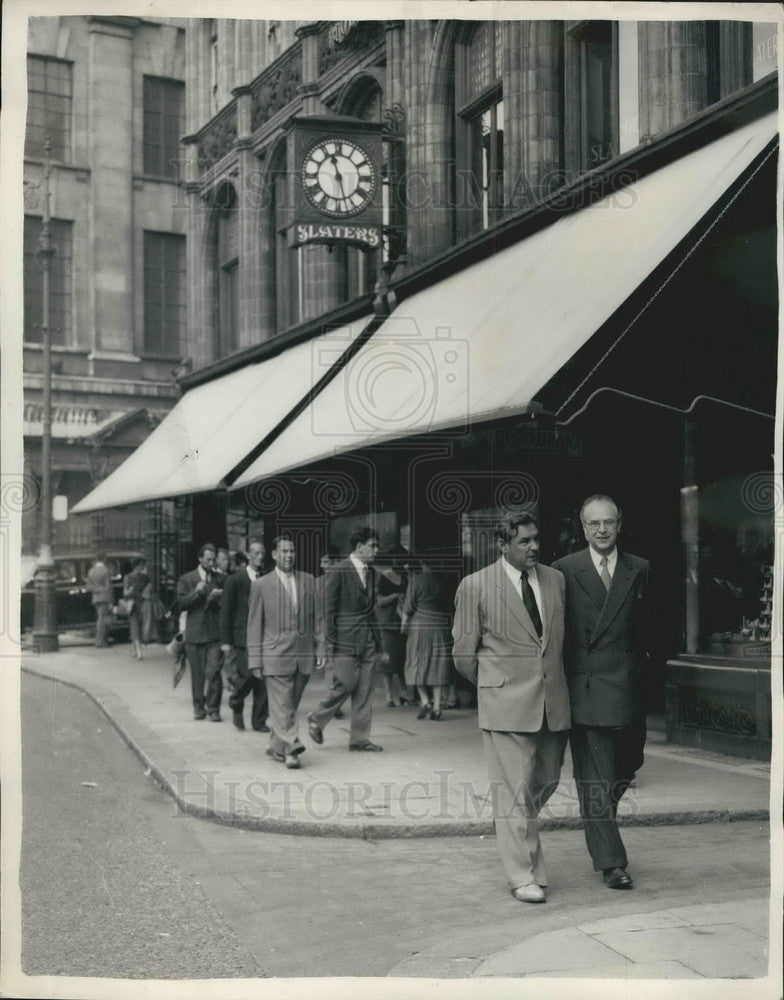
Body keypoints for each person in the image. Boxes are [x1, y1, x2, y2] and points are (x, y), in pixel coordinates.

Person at [453, 511, 570, 904]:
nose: (534, 546)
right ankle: (523, 874)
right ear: (502, 545)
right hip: (504, 703)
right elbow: (463, 654)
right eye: (524, 541)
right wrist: (494, 686)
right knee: (514, 792)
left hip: (552, 701)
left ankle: (519, 838)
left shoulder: (555, 580)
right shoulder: (476, 586)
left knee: (546, 781)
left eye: (536, 538)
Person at [552, 495, 651, 891]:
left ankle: (598, 822)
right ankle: (612, 863)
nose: (602, 530)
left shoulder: (639, 568)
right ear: (583, 527)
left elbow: (652, 624)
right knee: (595, 782)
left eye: (608, 522)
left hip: (628, 687)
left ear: (620, 524)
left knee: (627, 765)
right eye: (594, 524)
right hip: (587, 689)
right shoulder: (564, 570)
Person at [307, 527, 384, 753]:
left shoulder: (371, 572)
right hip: (345, 640)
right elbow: (329, 609)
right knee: (346, 683)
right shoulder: (339, 570)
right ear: (359, 546)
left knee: (365, 690)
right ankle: (317, 717)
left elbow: (372, 611)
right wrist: (331, 640)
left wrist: (379, 644)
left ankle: (360, 739)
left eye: (377, 546)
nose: (376, 550)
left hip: (368, 639)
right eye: (373, 545)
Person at [247, 534, 317, 769]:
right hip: (274, 655)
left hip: (303, 655)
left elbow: (317, 618)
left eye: (292, 551)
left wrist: (322, 647)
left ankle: (277, 745)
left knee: (288, 705)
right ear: (274, 555)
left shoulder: (308, 581)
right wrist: (255, 660)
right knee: (283, 705)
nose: (289, 556)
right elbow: (254, 623)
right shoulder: (261, 585)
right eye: (284, 552)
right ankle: (292, 747)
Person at [220, 542, 269, 733]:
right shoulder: (235, 580)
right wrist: (226, 642)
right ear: (249, 555)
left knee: (262, 680)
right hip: (242, 637)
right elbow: (226, 612)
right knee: (247, 675)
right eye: (256, 553)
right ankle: (236, 701)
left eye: (262, 553)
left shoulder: (267, 578)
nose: (260, 556)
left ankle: (259, 721)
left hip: (264, 637)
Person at [176, 543, 225, 721]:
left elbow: (228, 603)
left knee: (214, 672)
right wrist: (196, 593)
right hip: (195, 633)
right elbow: (179, 605)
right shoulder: (187, 579)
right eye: (208, 559)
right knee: (197, 674)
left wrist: (220, 598)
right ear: (199, 559)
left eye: (213, 560)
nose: (211, 563)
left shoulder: (221, 578)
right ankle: (199, 708)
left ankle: (214, 709)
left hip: (214, 633)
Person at [402, 554, 454, 720]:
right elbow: (449, 605)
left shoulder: (416, 579)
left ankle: (425, 702)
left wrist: (403, 626)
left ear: (422, 562)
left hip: (420, 625)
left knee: (416, 663)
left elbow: (409, 607)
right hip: (440, 626)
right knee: (437, 665)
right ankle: (438, 707)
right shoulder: (444, 580)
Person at [376, 546, 410, 707]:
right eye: (397, 558)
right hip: (388, 623)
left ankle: (403, 693)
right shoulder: (384, 576)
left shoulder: (406, 577)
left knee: (402, 660)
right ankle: (389, 696)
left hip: (402, 624)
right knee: (388, 662)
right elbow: (379, 601)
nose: (400, 561)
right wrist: (395, 596)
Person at [315, 545, 345, 719]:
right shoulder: (316, 583)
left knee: (339, 668)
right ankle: (333, 704)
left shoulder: (343, 580)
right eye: (322, 562)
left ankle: (334, 702)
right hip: (322, 631)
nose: (324, 565)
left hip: (341, 630)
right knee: (329, 667)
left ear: (336, 562)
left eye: (327, 561)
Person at [123, 556, 150, 661]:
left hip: (136, 604)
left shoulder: (128, 577)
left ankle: (136, 650)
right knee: (137, 626)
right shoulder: (145, 578)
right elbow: (125, 592)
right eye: (143, 565)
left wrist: (129, 591)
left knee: (135, 626)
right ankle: (138, 651)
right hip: (138, 604)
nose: (144, 566)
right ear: (138, 565)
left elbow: (125, 593)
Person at [86, 553, 112, 648]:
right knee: (102, 620)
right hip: (105, 597)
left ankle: (101, 640)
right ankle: (100, 641)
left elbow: (88, 586)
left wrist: (96, 589)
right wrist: (111, 600)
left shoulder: (91, 571)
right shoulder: (106, 570)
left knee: (100, 619)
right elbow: (108, 586)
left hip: (96, 597)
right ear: (104, 559)